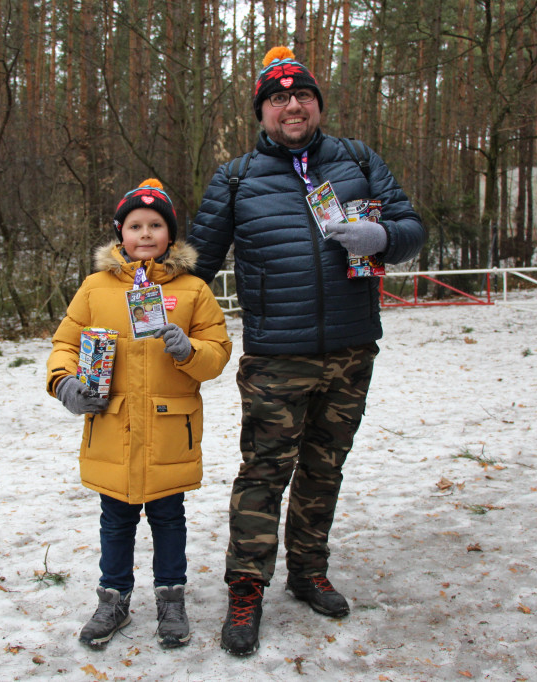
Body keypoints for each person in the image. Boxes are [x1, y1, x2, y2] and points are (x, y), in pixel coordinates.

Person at [187, 46, 426, 656]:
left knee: (325, 470)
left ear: (317, 104)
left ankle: (308, 570)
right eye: (278, 98)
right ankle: (246, 587)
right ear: (262, 112)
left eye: (303, 96)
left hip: (351, 349)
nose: (292, 106)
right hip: (276, 357)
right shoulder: (236, 177)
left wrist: (383, 236)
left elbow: (411, 230)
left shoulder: (356, 159)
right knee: (265, 474)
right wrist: (136, 300)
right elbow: (196, 267)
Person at [47, 179, 232, 650]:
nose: (145, 234)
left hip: (171, 433)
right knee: (116, 519)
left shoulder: (193, 290)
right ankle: (113, 597)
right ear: (119, 233)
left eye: (155, 225)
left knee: (170, 519)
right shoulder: (95, 288)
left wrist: (189, 350)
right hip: (112, 427)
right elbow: (66, 344)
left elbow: (218, 352)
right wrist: (65, 383)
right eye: (135, 225)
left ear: (170, 235)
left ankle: (172, 599)